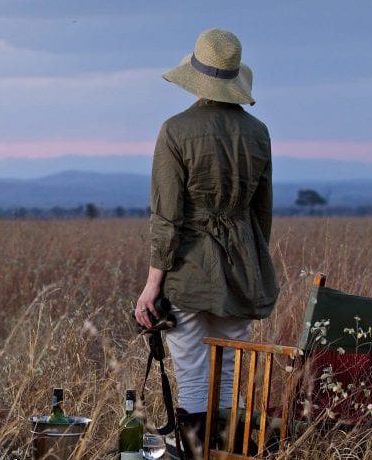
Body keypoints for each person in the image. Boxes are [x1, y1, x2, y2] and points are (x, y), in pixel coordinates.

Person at [134, 28, 278, 454]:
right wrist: (250, 258)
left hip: (188, 271)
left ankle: (198, 454)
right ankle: (226, 453)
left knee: (194, 373)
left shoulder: (175, 131)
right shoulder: (259, 133)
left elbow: (167, 217)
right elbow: (262, 214)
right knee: (230, 370)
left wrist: (151, 286)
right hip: (242, 268)